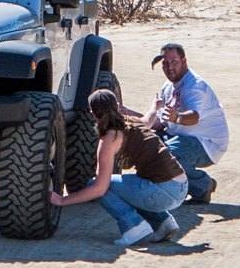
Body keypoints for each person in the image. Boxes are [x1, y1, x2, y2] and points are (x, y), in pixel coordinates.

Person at [52, 88, 189, 246]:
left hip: (163, 192)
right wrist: (154, 106)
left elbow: (99, 189)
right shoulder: (131, 121)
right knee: (128, 185)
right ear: (117, 107)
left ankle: (133, 226)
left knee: (97, 184)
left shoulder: (108, 139)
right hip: (181, 187)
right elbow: (148, 121)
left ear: (93, 114)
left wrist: (62, 200)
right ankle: (163, 223)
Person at [134, 42, 229, 205]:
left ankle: (202, 185)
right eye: (165, 63)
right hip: (182, 137)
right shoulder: (168, 86)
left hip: (207, 143)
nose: (169, 67)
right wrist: (130, 115)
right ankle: (167, 186)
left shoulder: (194, 86)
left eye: (174, 62)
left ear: (184, 61)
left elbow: (194, 117)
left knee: (168, 153)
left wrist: (176, 117)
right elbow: (161, 124)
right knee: (145, 143)